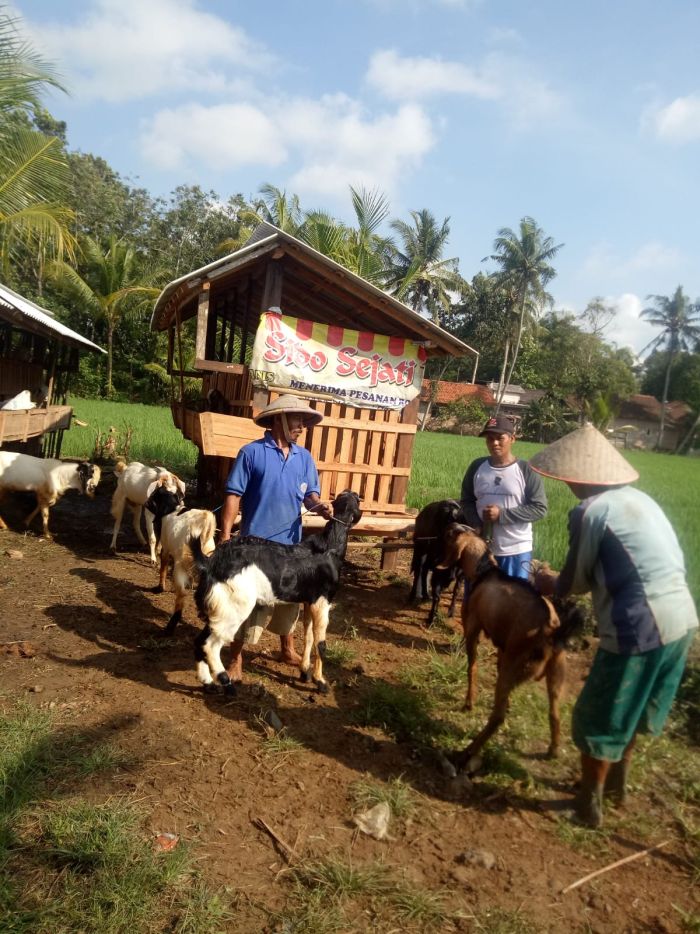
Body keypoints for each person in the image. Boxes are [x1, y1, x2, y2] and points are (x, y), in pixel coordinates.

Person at [531, 424, 698, 828]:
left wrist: (548, 582)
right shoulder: (641, 500)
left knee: (600, 715)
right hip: (683, 620)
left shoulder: (591, 511)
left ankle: (588, 804)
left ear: (577, 476)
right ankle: (617, 788)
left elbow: (574, 584)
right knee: (633, 708)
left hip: (637, 627)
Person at [218, 394, 333, 681]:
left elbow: (310, 497)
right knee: (247, 603)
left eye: (304, 421)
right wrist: (226, 534)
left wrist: (320, 505)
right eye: (297, 420)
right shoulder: (252, 453)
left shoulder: (303, 457)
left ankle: (287, 648)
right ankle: (235, 658)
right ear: (279, 419)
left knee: (291, 601)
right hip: (255, 547)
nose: (302, 426)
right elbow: (234, 494)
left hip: (291, 547)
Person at [460, 414, 547, 580]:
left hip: (515, 549)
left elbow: (539, 508)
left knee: (512, 599)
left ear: (512, 439)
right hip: (480, 549)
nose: (494, 443)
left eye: (500, 438)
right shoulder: (477, 467)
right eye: (489, 439)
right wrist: (476, 523)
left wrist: (502, 515)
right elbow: (467, 500)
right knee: (478, 599)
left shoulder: (526, 470)